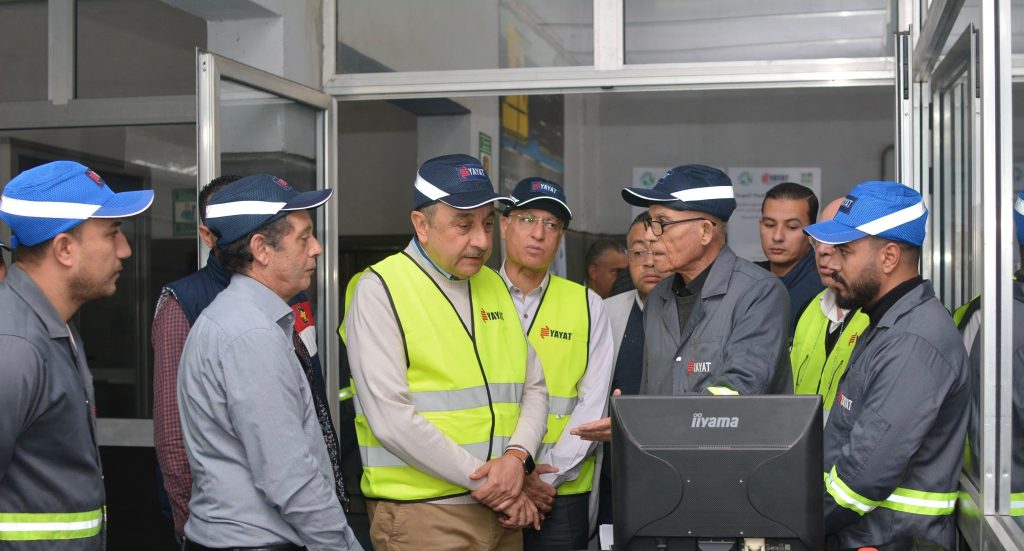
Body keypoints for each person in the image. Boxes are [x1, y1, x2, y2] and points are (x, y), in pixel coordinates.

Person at [344, 154, 548, 550]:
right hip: (425, 514)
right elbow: (391, 419)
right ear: (421, 225)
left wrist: (517, 458)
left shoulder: (493, 284)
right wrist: (492, 483)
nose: (482, 241)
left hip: (502, 508)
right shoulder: (380, 288)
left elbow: (534, 387)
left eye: (488, 224)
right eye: (463, 225)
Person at [177, 174, 361, 550]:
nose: (317, 248)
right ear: (261, 249)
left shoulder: (237, 319)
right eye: (304, 238)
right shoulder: (251, 334)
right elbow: (290, 477)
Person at [804, 181, 968, 550]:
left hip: (888, 540)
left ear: (889, 257)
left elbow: (862, 477)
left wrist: (794, 521)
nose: (833, 262)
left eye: (846, 251)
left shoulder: (914, 342)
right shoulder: (886, 324)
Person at [0, 160, 154, 548]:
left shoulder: (53, 328)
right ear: (65, 249)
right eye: (112, 233)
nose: (125, 250)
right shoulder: (14, 346)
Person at [497, 178, 614, 550]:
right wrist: (510, 474)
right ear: (504, 225)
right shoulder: (471, 295)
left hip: (559, 492)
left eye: (551, 224)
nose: (539, 233)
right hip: (486, 484)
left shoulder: (587, 305)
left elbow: (593, 405)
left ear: (561, 235)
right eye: (527, 219)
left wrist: (543, 478)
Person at [621, 163, 791, 397]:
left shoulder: (759, 293)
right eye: (651, 222)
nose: (649, 235)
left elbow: (740, 391)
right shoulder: (657, 298)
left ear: (705, 232)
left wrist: (665, 416)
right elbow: (650, 391)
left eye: (662, 222)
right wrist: (631, 416)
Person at [594, 211, 671, 526]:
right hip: (612, 474)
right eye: (639, 252)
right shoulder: (603, 312)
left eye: (658, 251)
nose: (649, 262)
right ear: (627, 259)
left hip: (672, 469)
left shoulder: (695, 312)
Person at [789, 197, 869, 411]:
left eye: (836, 239)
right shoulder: (809, 308)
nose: (822, 250)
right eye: (819, 239)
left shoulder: (882, 316)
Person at [757, 182, 825, 334]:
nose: (777, 236)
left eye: (792, 227)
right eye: (769, 225)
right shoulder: (746, 280)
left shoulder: (826, 286)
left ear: (812, 232)